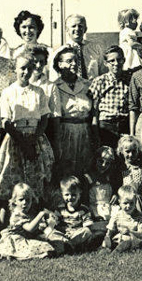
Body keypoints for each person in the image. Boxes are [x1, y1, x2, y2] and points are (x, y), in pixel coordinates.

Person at [0, 53, 54, 207]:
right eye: (22, 68)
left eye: (30, 69)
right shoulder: (8, 92)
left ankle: (36, 220)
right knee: (12, 185)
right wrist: (23, 144)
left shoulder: (38, 92)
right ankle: (8, 225)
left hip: (35, 139)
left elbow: (44, 118)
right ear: (14, 69)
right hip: (15, 140)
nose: (26, 72)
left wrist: (33, 139)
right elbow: (6, 121)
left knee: (38, 182)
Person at [49, 45, 97, 181]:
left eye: (76, 60)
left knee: (85, 170)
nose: (74, 64)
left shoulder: (87, 85)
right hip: (65, 132)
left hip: (85, 132)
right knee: (66, 170)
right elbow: (55, 116)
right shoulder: (55, 87)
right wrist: (57, 141)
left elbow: (93, 112)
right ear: (60, 64)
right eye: (69, 61)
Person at [0, 182, 61, 260]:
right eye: (21, 200)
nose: (25, 203)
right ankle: (17, 257)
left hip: (24, 238)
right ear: (14, 201)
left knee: (49, 243)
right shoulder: (17, 214)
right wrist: (41, 214)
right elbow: (29, 228)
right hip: (16, 240)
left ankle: (12, 257)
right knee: (42, 246)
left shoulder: (27, 212)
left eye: (28, 200)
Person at [90, 45, 132, 148]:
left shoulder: (130, 80)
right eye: (112, 61)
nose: (116, 64)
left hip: (124, 126)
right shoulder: (99, 81)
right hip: (106, 126)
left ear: (124, 60)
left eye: (119, 60)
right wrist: (96, 134)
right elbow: (94, 111)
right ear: (105, 63)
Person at [48, 176, 98, 252]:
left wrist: (77, 231)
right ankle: (69, 245)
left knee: (87, 231)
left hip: (77, 233)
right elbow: (55, 222)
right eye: (67, 195)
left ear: (80, 194)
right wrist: (53, 221)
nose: (70, 197)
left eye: (74, 195)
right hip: (64, 233)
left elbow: (88, 225)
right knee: (51, 232)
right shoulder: (60, 208)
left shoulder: (83, 209)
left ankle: (69, 245)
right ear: (62, 194)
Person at [101, 185, 142, 252]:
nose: (128, 206)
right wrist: (108, 237)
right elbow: (110, 230)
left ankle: (116, 251)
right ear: (119, 202)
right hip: (120, 237)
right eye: (125, 203)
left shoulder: (139, 216)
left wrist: (130, 232)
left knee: (128, 240)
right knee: (110, 239)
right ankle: (108, 247)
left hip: (133, 238)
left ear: (135, 202)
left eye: (131, 203)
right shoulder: (117, 215)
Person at [62, 14, 106, 81]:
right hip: (71, 90)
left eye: (80, 26)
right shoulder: (61, 52)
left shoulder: (96, 48)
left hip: (93, 88)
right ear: (67, 29)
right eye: (73, 26)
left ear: (85, 29)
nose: (77, 29)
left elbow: (103, 73)